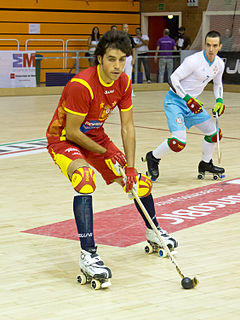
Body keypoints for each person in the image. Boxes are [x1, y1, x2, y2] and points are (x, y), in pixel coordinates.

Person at [46, 30, 177, 285]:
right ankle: (88, 254)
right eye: (111, 59)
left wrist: (129, 167)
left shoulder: (124, 83)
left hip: (96, 138)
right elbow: (73, 132)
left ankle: (153, 232)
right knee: (85, 180)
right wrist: (107, 152)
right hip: (64, 140)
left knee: (139, 183)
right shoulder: (80, 86)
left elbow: (127, 126)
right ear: (100, 59)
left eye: (122, 60)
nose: (117, 66)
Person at [144, 30, 225, 181]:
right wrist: (187, 98)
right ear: (204, 45)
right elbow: (173, 78)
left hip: (193, 103)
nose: (211, 49)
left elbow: (218, 84)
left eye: (214, 46)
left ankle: (205, 164)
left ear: (220, 46)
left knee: (215, 135)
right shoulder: (193, 60)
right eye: (208, 45)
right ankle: (153, 158)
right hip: (176, 101)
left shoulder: (219, 64)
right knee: (179, 142)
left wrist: (219, 100)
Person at [122, 23, 136, 95]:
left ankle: (129, 92)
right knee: (120, 75)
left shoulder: (130, 37)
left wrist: (133, 58)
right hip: (121, 58)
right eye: (124, 28)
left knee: (128, 75)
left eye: (127, 28)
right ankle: (120, 92)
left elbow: (133, 48)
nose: (125, 29)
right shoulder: (119, 37)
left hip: (129, 58)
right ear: (122, 28)